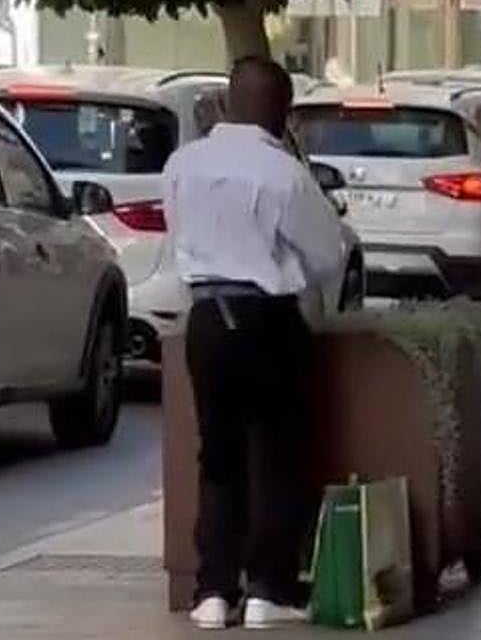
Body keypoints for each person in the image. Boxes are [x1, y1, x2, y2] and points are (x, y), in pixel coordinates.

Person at [162, 56, 345, 631]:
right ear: (282, 113)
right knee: (276, 451)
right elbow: (327, 253)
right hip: (268, 317)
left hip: (207, 319)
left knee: (217, 455)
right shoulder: (285, 173)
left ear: (225, 104)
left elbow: (178, 234)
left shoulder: (182, 164)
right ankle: (268, 589)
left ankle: (213, 591)